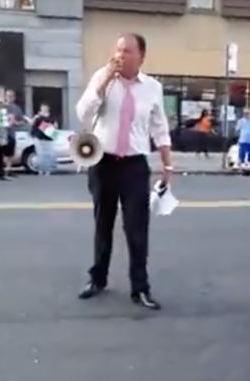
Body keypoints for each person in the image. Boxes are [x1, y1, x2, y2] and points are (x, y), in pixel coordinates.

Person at [75, 33, 172, 310]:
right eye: (118, 50)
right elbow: (83, 112)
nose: (120, 55)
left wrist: (167, 164)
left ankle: (140, 288)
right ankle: (98, 278)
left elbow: (159, 127)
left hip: (134, 165)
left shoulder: (152, 87)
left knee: (137, 229)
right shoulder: (102, 78)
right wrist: (105, 80)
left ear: (141, 56)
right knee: (102, 223)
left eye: (127, 51)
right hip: (102, 162)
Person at [31, 103, 58, 175]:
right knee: (40, 154)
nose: (44, 109)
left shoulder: (51, 117)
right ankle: (40, 169)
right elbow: (32, 124)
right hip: (39, 137)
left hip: (48, 138)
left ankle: (48, 170)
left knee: (48, 155)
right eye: (43, 108)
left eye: (46, 108)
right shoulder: (38, 117)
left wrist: (51, 126)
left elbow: (55, 126)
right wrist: (35, 118)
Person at [3, 89, 24, 178]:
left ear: (14, 97)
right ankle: (1, 169)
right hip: (2, 133)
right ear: (5, 97)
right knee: (1, 152)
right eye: (8, 96)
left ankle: (8, 169)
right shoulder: (1, 107)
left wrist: (16, 123)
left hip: (12, 133)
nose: (10, 98)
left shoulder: (17, 108)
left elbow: (22, 121)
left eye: (11, 96)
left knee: (10, 153)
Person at [235, 108, 250, 176]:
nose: (246, 115)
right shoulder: (241, 121)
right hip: (243, 140)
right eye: (245, 113)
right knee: (241, 154)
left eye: (248, 113)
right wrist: (238, 139)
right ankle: (240, 169)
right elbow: (237, 130)